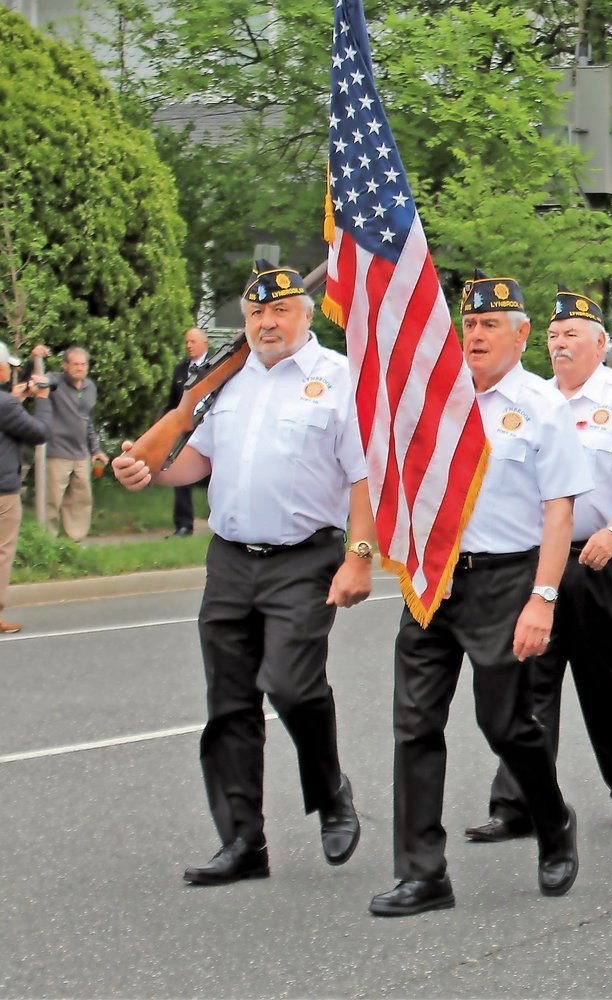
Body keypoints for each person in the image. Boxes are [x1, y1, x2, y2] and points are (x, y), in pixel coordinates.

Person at [112, 260, 372, 885]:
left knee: (290, 682)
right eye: (255, 313)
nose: (266, 323)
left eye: (280, 310)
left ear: (306, 316)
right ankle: (242, 842)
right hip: (229, 559)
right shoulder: (223, 383)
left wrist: (360, 556)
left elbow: (366, 476)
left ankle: (330, 790)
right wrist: (148, 472)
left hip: (304, 557)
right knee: (229, 703)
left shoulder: (339, 380)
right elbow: (196, 460)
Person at [369, 274, 590, 917]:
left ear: (522, 335)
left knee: (504, 724)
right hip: (434, 577)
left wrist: (543, 598)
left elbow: (559, 512)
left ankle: (552, 822)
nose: (476, 336)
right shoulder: (439, 401)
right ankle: (423, 873)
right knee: (414, 724)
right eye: (469, 326)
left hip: (507, 578)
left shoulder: (542, 406)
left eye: (491, 325)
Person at [466, 287, 612, 842]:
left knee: (606, 675)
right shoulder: (532, 399)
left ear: (601, 343)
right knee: (528, 677)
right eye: (555, 336)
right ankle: (517, 803)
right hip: (536, 562)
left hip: (601, 558)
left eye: (573, 336)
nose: (561, 345)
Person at [0, 343, 51, 634]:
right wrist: (42, 399)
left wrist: (13, 399)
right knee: (2, 552)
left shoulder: (6, 402)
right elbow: (39, 432)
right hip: (3, 491)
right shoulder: (5, 404)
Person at [40, 345, 106, 541]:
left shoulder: (90, 387)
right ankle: (47, 540)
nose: (79, 368)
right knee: (51, 500)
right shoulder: (56, 381)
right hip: (57, 451)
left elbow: (88, 421)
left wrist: (96, 449)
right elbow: (42, 381)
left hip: (81, 453)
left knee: (81, 499)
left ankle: (75, 540)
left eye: (83, 364)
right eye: (75, 364)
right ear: (65, 366)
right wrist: (37, 369)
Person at [166, 327, 211, 537]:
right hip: (187, 430)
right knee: (180, 475)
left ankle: (218, 522)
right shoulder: (180, 370)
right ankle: (184, 525)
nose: (189, 346)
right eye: (187, 342)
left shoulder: (218, 364)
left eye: (193, 342)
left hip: (212, 426)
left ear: (204, 344)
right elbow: (172, 403)